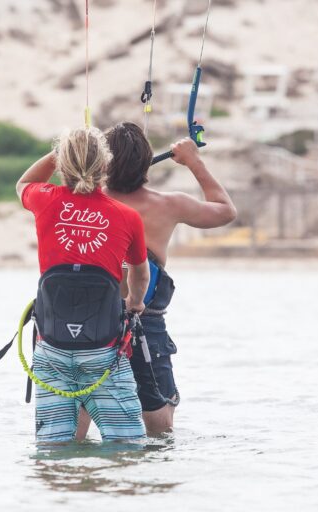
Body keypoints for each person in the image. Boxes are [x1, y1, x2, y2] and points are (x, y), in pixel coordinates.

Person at [76, 122, 237, 438]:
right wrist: (193, 161)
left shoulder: (82, 202)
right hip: (143, 322)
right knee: (160, 428)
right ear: (147, 162)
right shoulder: (169, 204)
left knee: (76, 416)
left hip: (87, 323)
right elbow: (225, 211)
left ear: (103, 161)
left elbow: (28, 186)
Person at [16, 127, 151, 443]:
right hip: (104, 350)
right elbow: (140, 274)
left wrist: (61, 153)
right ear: (105, 165)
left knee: (53, 449)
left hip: (52, 347)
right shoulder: (127, 216)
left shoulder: (44, 199)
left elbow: (22, 183)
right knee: (127, 448)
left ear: (61, 165)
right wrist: (135, 303)